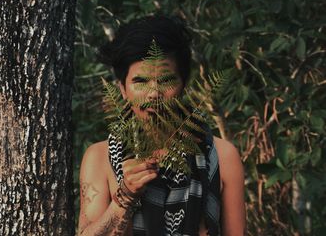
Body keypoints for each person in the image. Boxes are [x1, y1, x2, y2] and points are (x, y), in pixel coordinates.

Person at [78, 15, 246, 236]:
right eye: (140, 81)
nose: (154, 93)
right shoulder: (100, 157)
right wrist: (125, 197)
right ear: (122, 89)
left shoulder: (222, 157)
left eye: (166, 80)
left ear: (183, 85)